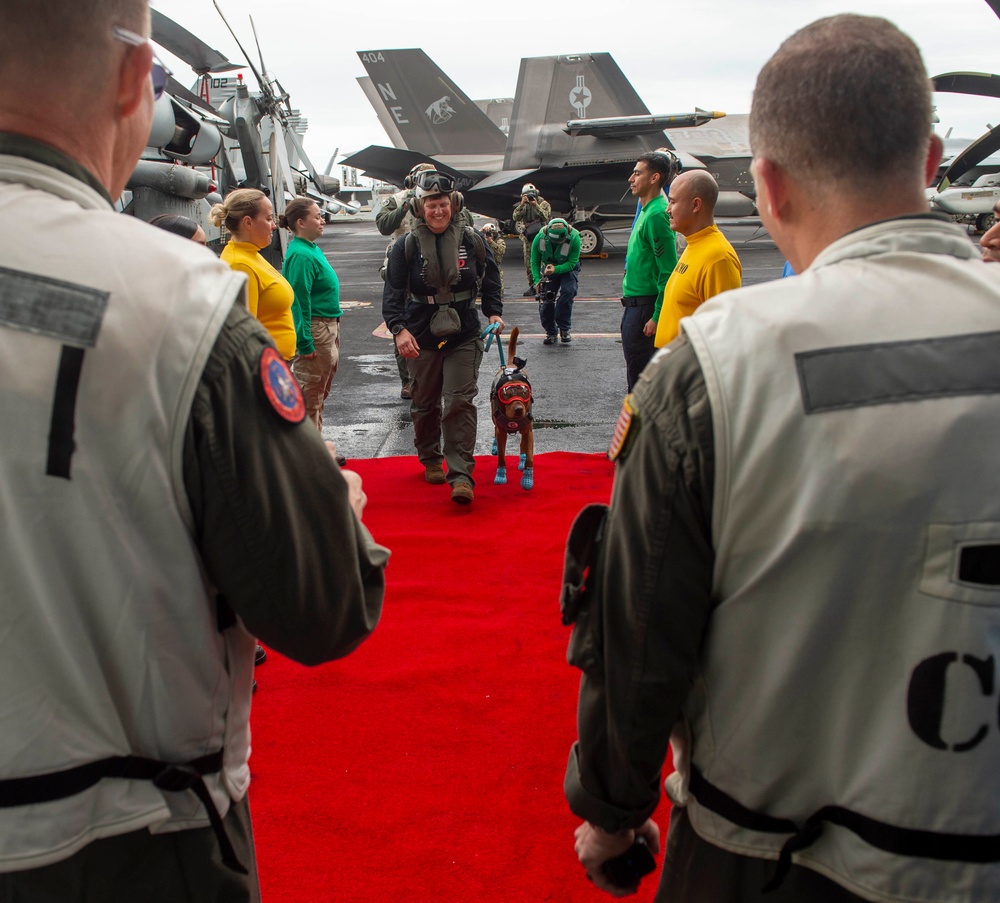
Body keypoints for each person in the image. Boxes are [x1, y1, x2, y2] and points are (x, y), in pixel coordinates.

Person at [565, 14, 1000, 903]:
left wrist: (612, 811)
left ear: (766, 182)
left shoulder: (714, 371)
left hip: (770, 858)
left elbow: (642, 629)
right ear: (930, 161)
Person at [0, 2, 388, 899]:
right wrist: (339, 505)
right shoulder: (183, 304)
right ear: (138, 81)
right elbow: (325, 603)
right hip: (124, 841)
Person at [382, 169, 504, 505]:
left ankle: (461, 474)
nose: (438, 210)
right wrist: (399, 329)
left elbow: (490, 278)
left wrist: (494, 312)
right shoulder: (405, 247)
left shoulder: (472, 240)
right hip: (420, 333)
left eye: (443, 204)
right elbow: (393, 294)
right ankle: (431, 457)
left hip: (464, 332)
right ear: (420, 207)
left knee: (460, 400)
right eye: (431, 204)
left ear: (454, 204)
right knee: (425, 403)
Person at [652, 170, 742, 348]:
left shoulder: (718, 257)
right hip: (676, 366)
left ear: (695, 205)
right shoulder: (695, 244)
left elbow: (724, 335)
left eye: (673, 201)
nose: (667, 209)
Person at [279, 197, 342, 432]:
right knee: (310, 397)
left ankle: (318, 450)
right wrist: (304, 341)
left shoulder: (309, 249)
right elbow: (298, 301)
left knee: (318, 394)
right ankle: (309, 460)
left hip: (327, 327)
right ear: (300, 222)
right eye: (316, 216)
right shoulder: (302, 255)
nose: (322, 220)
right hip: (317, 330)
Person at [211, 188, 296, 361]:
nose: (273, 225)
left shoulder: (251, 254)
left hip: (274, 361)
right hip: (265, 367)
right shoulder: (240, 264)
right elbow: (243, 334)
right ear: (248, 223)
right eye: (268, 218)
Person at [377, 162, 436, 399]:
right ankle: (408, 380)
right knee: (401, 322)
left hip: (434, 266)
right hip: (403, 265)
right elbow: (383, 225)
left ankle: (432, 374)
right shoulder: (398, 199)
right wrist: (407, 202)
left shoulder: (441, 199)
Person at [621, 152, 678, 390]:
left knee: (642, 384)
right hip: (634, 306)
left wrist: (656, 315)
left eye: (637, 173)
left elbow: (668, 271)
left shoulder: (657, 214)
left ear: (655, 178)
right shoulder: (646, 210)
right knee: (635, 374)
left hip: (645, 309)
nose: (631, 179)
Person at [531, 217, 581, 344]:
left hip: (568, 269)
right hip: (549, 268)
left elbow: (571, 263)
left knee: (568, 292)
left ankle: (564, 328)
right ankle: (551, 332)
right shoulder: (539, 237)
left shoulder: (574, 238)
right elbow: (535, 261)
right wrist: (537, 280)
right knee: (546, 298)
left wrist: (555, 269)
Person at [512, 183, 551, 296]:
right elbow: (515, 217)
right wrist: (522, 204)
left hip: (541, 236)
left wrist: (535, 205)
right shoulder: (524, 205)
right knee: (529, 263)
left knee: (543, 260)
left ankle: (545, 285)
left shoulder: (543, 204)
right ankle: (533, 285)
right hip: (528, 237)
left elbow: (546, 216)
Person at [480, 221, 506, 298]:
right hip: (483, 268)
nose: (487, 235)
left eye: (490, 233)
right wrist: (481, 232)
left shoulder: (500, 242)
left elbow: (500, 252)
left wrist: (491, 242)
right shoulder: (481, 240)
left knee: (498, 292)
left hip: (495, 267)